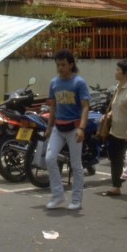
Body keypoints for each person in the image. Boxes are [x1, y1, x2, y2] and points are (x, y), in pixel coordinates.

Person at [44, 49, 90, 211]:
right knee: (50, 158)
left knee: (76, 164)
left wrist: (82, 128)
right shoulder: (54, 83)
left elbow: (85, 107)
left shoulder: (79, 83)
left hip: (74, 127)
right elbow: (53, 106)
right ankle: (57, 195)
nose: (60, 68)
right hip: (58, 126)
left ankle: (76, 199)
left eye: (63, 64)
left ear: (71, 64)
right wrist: (49, 127)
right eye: (58, 65)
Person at [101, 60, 127, 197]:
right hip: (115, 130)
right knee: (115, 158)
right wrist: (109, 114)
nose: (115, 72)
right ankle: (116, 187)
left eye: (118, 70)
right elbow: (117, 106)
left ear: (125, 73)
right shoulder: (118, 87)